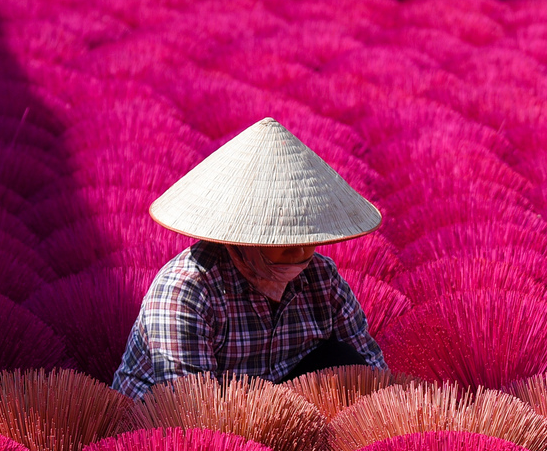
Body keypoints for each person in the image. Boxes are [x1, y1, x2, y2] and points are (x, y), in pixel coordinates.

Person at [111, 117, 387, 400]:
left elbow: (372, 367)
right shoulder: (187, 290)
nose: (300, 251)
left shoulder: (322, 279)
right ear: (242, 236)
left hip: (277, 412)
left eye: (307, 234)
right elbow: (191, 406)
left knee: (346, 362)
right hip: (174, 427)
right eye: (282, 237)